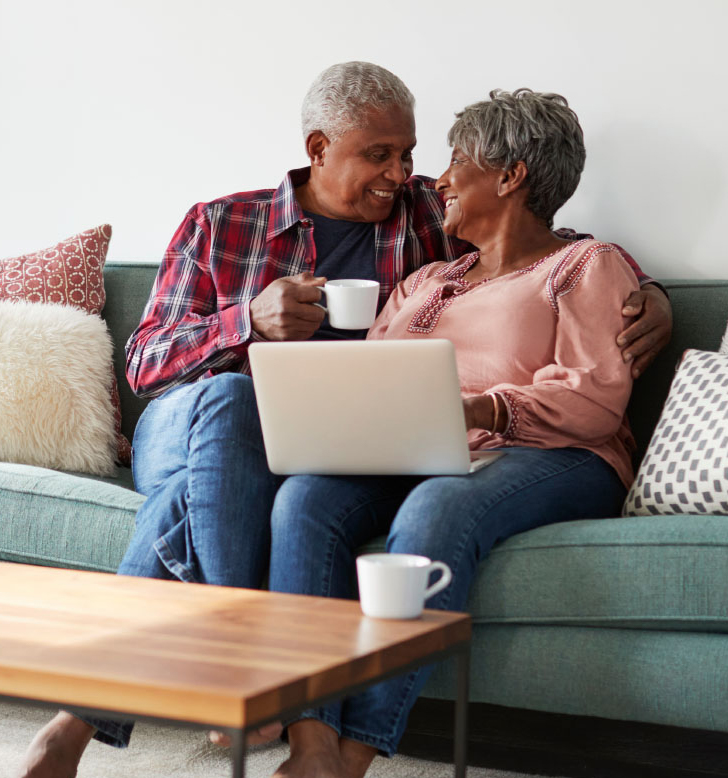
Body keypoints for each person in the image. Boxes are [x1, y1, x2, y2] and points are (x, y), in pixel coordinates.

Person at [17, 64, 669, 778]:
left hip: (344, 440)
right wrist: (248, 323)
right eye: (380, 155)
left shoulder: (431, 220)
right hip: (196, 415)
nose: (408, 174)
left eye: (415, 155)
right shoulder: (222, 222)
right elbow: (144, 365)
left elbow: (553, 246)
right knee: (233, 404)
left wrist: (650, 294)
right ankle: (253, 665)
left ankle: (191, 725)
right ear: (320, 147)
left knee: (236, 499)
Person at [264, 86, 641, 778]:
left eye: (457, 161)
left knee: (440, 504)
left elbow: (596, 399)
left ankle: (354, 755)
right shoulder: (425, 281)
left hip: (553, 453)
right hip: (418, 447)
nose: (437, 180)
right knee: (306, 498)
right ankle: (309, 739)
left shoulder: (586, 267)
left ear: (510, 174)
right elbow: (376, 382)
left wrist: (477, 410)